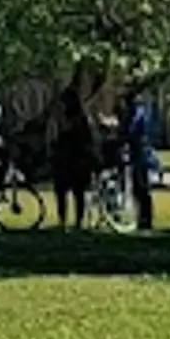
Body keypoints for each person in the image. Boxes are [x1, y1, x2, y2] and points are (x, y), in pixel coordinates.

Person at [51, 83, 100, 230]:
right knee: (64, 192)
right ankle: (64, 220)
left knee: (76, 193)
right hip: (66, 160)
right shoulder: (70, 118)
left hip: (76, 160)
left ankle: (76, 221)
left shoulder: (79, 120)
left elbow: (83, 140)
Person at [128, 88, 166, 232]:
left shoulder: (139, 113)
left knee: (141, 187)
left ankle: (145, 219)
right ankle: (143, 218)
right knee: (140, 188)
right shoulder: (142, 111)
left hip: (140, 153)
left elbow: (134, 130)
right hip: (140, 152)